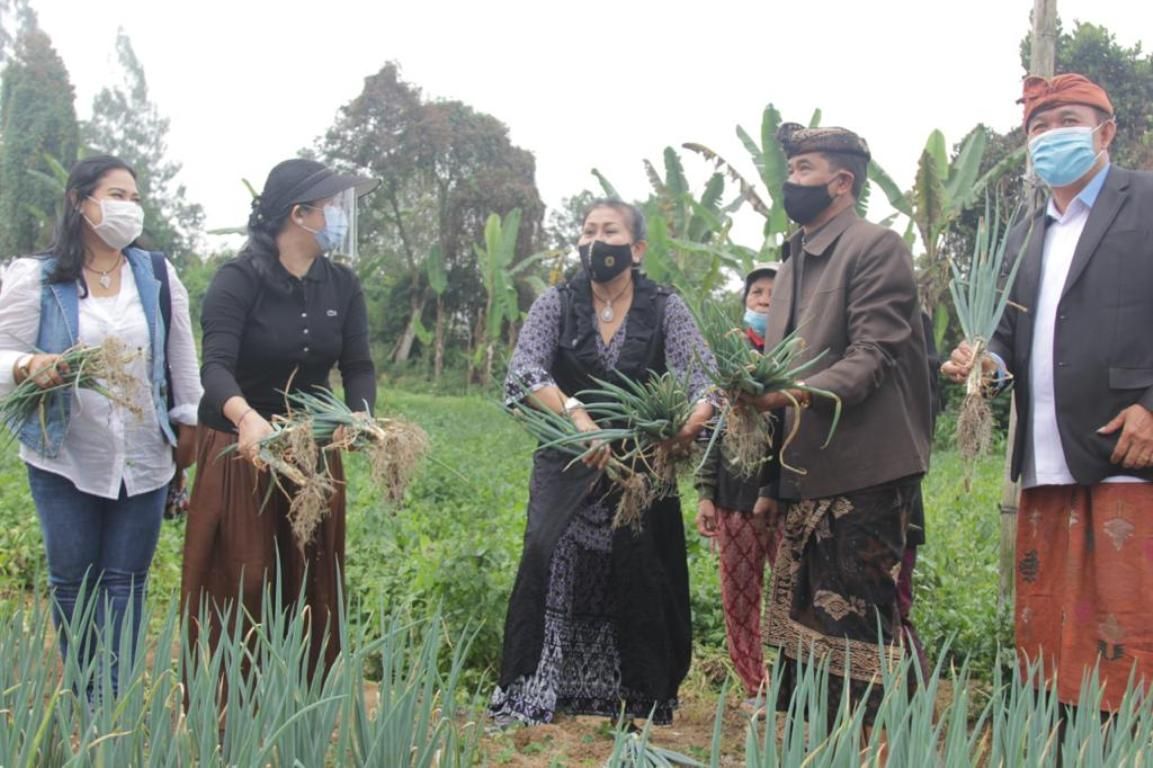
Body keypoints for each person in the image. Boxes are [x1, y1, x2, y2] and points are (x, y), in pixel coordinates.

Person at [943, 73, 1153, 712]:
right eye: (1038, 126)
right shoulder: (1024, 233)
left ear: (1106, 131)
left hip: (1126, 450)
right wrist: (983, 362)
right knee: (1051, 621)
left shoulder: (1145, 203)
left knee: (1130, 620)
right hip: (1044, 458)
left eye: (1066, 119)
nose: (1050, 134)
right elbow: (1008, 334)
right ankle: (1060, 740)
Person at [491, 199, 715, 727]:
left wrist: (688, 422)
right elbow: (523, 372)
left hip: (642, 465)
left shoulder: (665, 306)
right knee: (550, 553)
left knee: (641, 567)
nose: (596, 241)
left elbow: (702, 377)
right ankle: (533, 691)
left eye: (609, 231)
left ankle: (636, 697)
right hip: (568, 457)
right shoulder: (557, 301)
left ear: (635, 249)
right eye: (588, 230)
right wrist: (574, 413)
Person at [748, 124, 932, 723]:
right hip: (807, 474)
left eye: (804, 170)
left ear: (843, 181)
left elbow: (872, 355)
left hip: (866, 472)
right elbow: (776, 373)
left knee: (858, 621)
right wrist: (773, 485)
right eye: (791, 169)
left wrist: (789, 394)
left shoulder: (876, 247)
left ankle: (883, 743)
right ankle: (816, 743)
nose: (790, 182)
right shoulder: (793, 258)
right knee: (805, 625)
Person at [0, 155, 201, 697]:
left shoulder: (156, 274)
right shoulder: (38, 278)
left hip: (144, 456)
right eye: (116, 195)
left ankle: (113, 702)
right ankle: (86, 690)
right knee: (74, 582)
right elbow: (3, 355)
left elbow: (181, 355)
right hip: (65, 456)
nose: (128, 208)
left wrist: (187, 420)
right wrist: (27, 366)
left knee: (127, 583)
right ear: (79, 202)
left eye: (134, 199)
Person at [181, 158, 379, 676]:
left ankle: (298, 708)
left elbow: (357, 366)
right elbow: (216, 367)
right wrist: (246, 417)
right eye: (332, 206)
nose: (340, 216)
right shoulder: (237, 279)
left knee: (312, 576)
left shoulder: (342, 285)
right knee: (245, 579)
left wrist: (359, 417)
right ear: (300, 214)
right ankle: (227, 708)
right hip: (241, 449)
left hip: (312, 453)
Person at [694, 262, 782, 705]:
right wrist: (706, 494)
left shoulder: (798, 353)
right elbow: (707, 431)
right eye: (757, 293)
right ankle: (756, 684)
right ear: (745, 302)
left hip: (788, 497)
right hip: (733, 496)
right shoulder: (725, 356)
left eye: (773, 292)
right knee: (739, 597)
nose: (764, 299)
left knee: (790, 593)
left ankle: (793, 684)